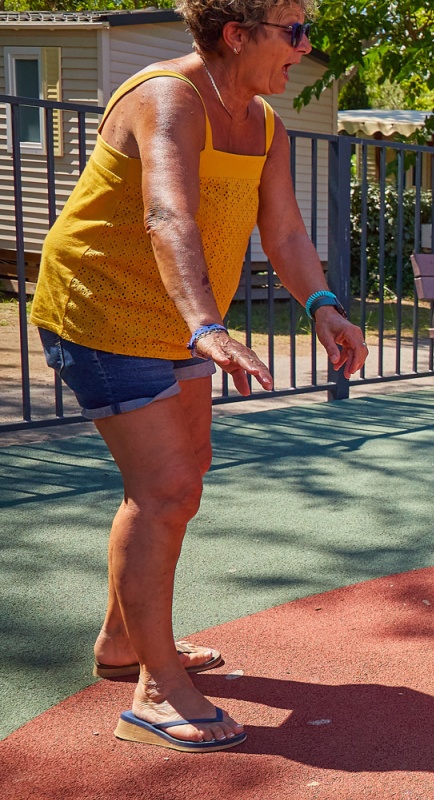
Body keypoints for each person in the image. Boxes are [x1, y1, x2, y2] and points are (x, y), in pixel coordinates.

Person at [27, 0, 369, 752]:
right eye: (295, 30)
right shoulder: (166, 97)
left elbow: (282, 230)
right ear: (236, 34)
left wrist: (322, 306)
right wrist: (209, 326)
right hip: (105, 309)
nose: (307, 45)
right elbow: (167, 215)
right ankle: (154, 691)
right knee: (164, 489)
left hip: (181, 317)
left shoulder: (266, 123)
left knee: (182, 479)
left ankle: (125, 646)